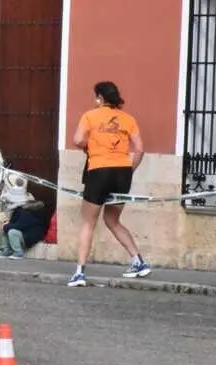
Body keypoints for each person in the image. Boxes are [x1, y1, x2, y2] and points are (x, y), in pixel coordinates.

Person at [68, 81, 150, 287]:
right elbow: (139, 148)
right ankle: (138, 262)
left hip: (99, 170)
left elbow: (77, 140)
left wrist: (91, 146)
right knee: (113, 220)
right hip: (122, 172)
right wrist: (129, 170)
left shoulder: (90, 115)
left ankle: (79, 273)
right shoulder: (128, 119)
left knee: (88, 222)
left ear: (100, 98)